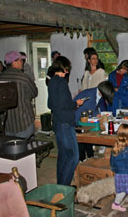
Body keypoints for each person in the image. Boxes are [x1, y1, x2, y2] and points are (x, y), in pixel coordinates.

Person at [47, 56, 85, 185]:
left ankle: (60, 185)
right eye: (67, 68)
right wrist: (76, 103)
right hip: (65, 123)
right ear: (64, 67)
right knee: (74, 156)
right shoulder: (62, 82)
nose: (68, 71)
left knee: (63, 155)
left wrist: (70, 103)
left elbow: (51, 104)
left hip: (57, 121)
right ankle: (65, 186)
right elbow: (64, 104)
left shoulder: (52, 81)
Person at [0, 51, 38, 139]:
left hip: (7, 122)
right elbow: (34, 93)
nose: (22, 63)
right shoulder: (23, 78)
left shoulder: (0, 78)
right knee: (27, 149)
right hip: (24, 121)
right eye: (21, 60)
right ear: (14, 62)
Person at [74, 81, 114, 161]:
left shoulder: (96, 93)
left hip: (83, 120)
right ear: (103, 93)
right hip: (76, 120)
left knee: (88, 142)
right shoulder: (90, 95)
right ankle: (82, 162)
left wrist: (97, 114)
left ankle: (90, 158)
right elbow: (81, 111)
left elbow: (91, 109)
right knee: (81, 143)